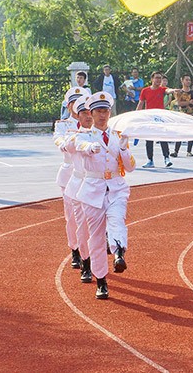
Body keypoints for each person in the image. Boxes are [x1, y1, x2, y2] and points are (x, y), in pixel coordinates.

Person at [75, 91, 136, 300]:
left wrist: (124, 149)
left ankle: (119, 252)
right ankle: (101, 279)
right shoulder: (84, 135)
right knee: (97, 237)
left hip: (116, 187)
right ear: (91, 113)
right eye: (99, 111)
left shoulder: (118, 136)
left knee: (117, 219)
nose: (102, 115)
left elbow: (130, 167)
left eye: (106, 111)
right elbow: (79, 145)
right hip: (93, 190)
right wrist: (89, 147)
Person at [54, 87, 91, 270]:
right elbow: (59, 141)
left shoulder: (91, 123)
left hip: (90, 176)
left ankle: (89, 251)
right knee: (72, 217)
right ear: (69, 105)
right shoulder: (62, 124)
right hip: (70, 174)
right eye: (74, 102)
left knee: (88, 217)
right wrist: (67, 143)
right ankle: (75, 249)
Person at [62, 95, 94, 283]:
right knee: (81, 228)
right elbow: (67, 145)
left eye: (92, 112)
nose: (89, 116)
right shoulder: (73, 134)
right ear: (78, 115)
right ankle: (86, 262)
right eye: (84, 113)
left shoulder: (104, 134)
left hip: (99, 187)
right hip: (79, 185)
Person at [137, 71, 176, 168]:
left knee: (162, 137)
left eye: (160, 78)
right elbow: (141, 104)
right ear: (152, 79)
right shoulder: (145, 91)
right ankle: (150, 160)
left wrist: (174, 90)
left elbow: (168, 90)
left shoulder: (162, 89)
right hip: (149, 117)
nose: (158, 80)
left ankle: (167, 158)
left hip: (160, 117)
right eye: (157, 78)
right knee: (149, 140)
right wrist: (137, 116)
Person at [171, 74, 193, 158]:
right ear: (182, 81)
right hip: (182, 114)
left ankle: (189, 151)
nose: (188, 81)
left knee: (191, 133)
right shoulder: (179, 92)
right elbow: (179, 103)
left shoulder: (192, 92)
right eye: (186, 80)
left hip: (192, 114)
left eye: (189, 80)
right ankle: (176, 151)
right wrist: (189, 102)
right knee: (180, 132)